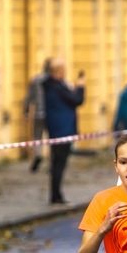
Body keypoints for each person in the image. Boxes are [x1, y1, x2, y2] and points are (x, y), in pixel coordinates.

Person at [43, 58, 86, 205]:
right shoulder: (57, 87)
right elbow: (77, 100)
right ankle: (56, 196)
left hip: (57, 129)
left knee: (57, 163)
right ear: (59, 71)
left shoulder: (51, 85)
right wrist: (80, 86)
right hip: (63, 130)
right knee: (59, 163)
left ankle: (56, 194)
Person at [22, 57, 51, 172]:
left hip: (38, 113)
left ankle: (38, 155)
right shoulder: (53, 81)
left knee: (37, 136)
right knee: (52, 138)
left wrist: (25, 110)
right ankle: (51, 162)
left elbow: (29, 97)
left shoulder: (36, 80)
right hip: (50, 114)